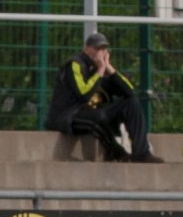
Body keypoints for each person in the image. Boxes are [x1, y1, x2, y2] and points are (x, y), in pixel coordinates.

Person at [46, 32, 163, 162]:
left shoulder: (103, 69)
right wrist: (100, 70)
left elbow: (129, 92)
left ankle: (142, 153)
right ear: (86, 49)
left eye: (103, 49)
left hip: (94, 112)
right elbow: (84, 94)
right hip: (70, 114)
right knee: (100, 118)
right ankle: (117, 153)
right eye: (97, 49)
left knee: (132, 103)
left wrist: (109, 68)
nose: (100, 53)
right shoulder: (75, 65)